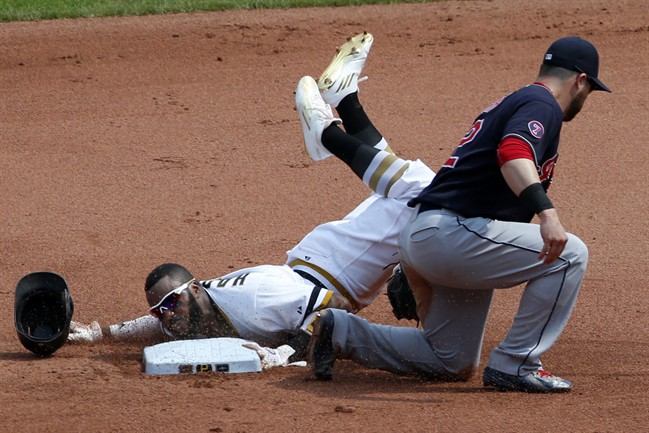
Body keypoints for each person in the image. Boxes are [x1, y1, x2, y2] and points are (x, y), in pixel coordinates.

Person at [68, 32, 436, 368]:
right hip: (323, 259)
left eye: (170, 305)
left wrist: (284, 353)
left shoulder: (258, 300)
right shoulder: (198, 307)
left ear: (194, 290)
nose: (167, 317)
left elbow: (335, 310)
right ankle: (343, 99)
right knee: (411, 190)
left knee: (425, 192)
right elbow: (155, 324)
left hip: (341, 269)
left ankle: (327, 132)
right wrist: (103, 333)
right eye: (161, 310)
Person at [305, 36, 610, 393]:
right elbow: (513, 152)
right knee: (570, 254)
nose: (585, 101)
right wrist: (547, 214)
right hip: (451, 234)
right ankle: (518, 363)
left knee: (449, 359)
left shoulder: (517, 101)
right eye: (590, 91)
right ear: (580, 80)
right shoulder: (541, 103)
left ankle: (339, 331)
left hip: (436, 238)